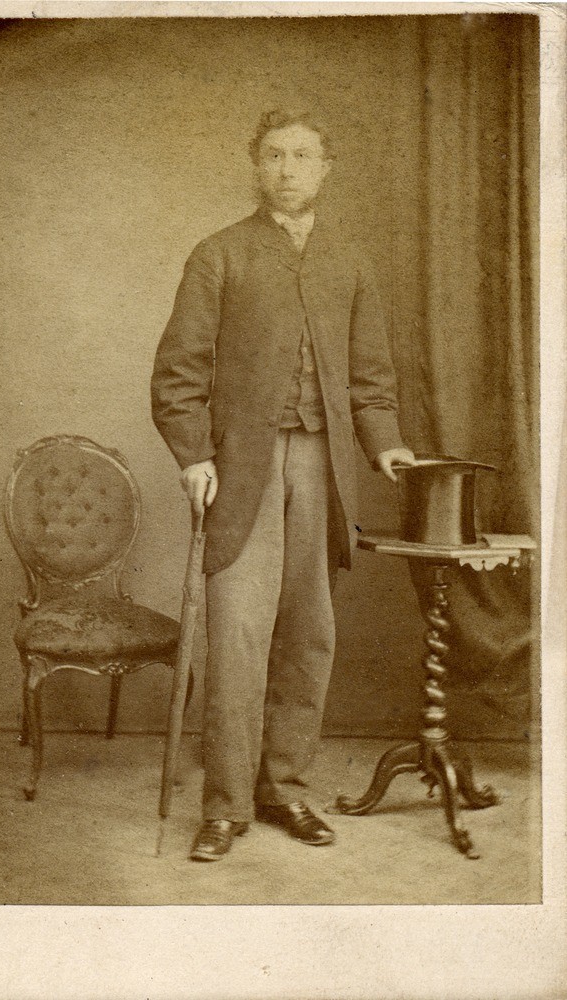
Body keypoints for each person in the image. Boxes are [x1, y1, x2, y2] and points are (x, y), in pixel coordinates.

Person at [151, 108, 415, 861]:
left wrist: (387, 446)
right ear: (255, 164)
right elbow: (178, 374)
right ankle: (225, 806)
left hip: (323, 469)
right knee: (238, 635)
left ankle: (286, 790)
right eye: (273, 155)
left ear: (326, 167)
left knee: (308, 632)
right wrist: (194, 455)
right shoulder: (220, 255)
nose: (287, 170)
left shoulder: (351, 262)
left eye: (302, 156)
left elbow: (372, 380)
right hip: (243, 470)